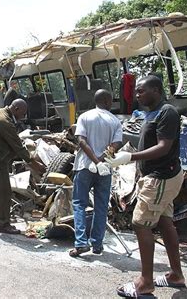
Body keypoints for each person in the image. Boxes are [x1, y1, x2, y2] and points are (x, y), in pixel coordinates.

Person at [106, 75, 185, 298]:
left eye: (141, 91)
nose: (137, 95)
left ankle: (145, 284)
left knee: (140, 224)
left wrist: (130, 157)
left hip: (160, 177)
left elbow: (163, 147)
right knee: (164, 220)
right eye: (137, 91)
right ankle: (176, 275)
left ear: (157, 90)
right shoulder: (151, 113)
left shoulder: (167, 112)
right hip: (157, 176)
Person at [69, 89, 122, 257]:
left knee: (79, 204)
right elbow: (116, 144)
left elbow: (81, 141)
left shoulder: (85, 117)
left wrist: (94, 160)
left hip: (85, 166)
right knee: (101, 206)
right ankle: (97, 244)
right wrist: (101, 160)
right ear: (108, 101)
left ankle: (81, 243)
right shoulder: (115, 121)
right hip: (105, 169)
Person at [0, 98, 45, 234]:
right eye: (22, 113)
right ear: (16, 109)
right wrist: (34, 164)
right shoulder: (4, 122)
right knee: (4, 194)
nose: (23, 117)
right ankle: (4, 224)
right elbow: (19, 148)